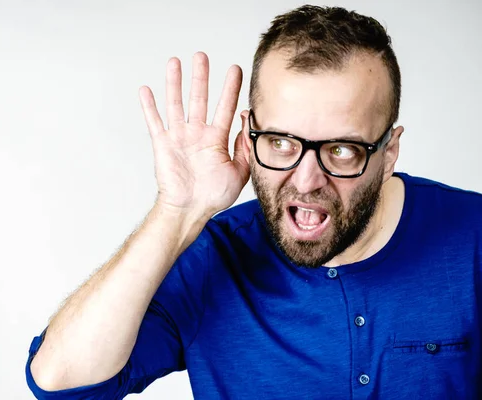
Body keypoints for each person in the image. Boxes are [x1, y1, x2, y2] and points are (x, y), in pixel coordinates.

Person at [25, 5, 482, 399]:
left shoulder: (473, 235)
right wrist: (177, 212)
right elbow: (63, 382)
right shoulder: (214, 256)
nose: (306, 180)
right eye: (281, 141)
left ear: (389, 153)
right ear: (248, 135)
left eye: (342, 149)